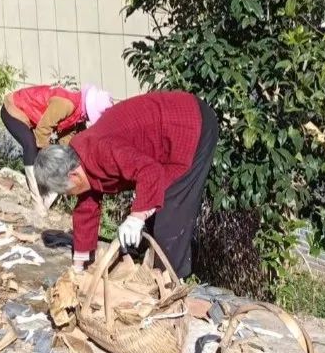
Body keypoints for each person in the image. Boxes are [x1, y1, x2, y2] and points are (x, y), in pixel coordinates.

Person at [34, 91, 218, 276]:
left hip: (189, 126)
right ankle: (153, 269)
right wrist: (79, 265)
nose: (71, 194)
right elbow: (86, 208)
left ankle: (172, 283)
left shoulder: (102, 151)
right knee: (153, 207)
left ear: (73, 174)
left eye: (68, 191)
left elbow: (150, 172)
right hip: (163, 141)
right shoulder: (79, 160)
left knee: (170, 215)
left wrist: (136, 217)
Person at [1, 83, 114, 215]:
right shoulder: (67, 104)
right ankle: (36, 200)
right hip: (14, 109)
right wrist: (47, 157)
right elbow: (42, 130)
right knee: (31, 146)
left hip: (31, 117)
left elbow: (68, 143)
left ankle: (46, 199)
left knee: (61, 159)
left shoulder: (77, 114)